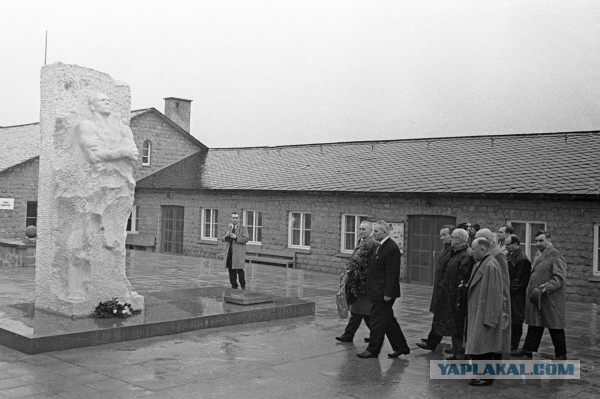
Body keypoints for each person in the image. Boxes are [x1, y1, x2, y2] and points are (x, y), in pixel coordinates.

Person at [357, 221, 410, 359]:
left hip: (383, 293)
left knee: (377, 321)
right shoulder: (380, 246)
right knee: (388, 320)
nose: (373, 234)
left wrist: (388, 293)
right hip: (376, 290)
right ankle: (401, 347)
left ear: (385, 233)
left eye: (376, 231)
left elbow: (392, 273)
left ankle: (373, 350)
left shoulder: (391, 248)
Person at [514, 231, 568, 360]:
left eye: (541, 240)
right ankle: (528, 349)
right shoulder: (540, 254)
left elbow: (559, 278)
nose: (538, 243)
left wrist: (544, 288)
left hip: (550, 298)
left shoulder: (555, 255)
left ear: (548, 240)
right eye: (536, 241)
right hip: (538, 298)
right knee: (535, 323)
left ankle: (561, 353)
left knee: (555, 326)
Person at [465, 237, 504, 387]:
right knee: (477, 346)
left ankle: (487, 377)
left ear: (482, 248)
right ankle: (479, 374)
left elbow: (495, 295)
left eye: (474, 250)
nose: (472, 253)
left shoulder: (491, 266)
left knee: (484, 347)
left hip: (484, 314)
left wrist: (490, 319)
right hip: (477, 311)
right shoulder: (481, 263)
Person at [336, 221, 378, 342]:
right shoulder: (361, 241)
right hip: (356, 280)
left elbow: (368, 264)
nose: (360, 231)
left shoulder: (372, 243)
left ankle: (349, 335)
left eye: (363, 229)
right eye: (359, 229)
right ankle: (373, 334)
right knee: (361, 311)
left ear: (371, 231)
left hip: (363, 282)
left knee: (359, 310)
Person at [416, 225, 454, 352]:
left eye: (444, 235)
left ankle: (433, 342)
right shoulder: (446, 248)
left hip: (445, 289)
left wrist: (444, 285)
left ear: (452, 236)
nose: (441, 237)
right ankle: (432, 339)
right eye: (440, 235)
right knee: (439, 315)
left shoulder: (453, 250)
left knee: (441, 317)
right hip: (440, 288)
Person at [475, 228, 511, 358]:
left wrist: (503, 303)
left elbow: (503, 282)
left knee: (495, 336)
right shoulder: (490, 253)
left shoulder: (497, 254)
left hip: (496, 300)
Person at [505, 234, 531, 353]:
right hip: (510, 292)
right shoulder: (510, 256)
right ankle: (510, 342)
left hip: (516, 295)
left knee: (516, 319)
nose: (506, 247)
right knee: (511, 318)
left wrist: (510, 289)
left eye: (508, 244)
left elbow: (521, 280)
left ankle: (514, 344)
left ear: (515, 244)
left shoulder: (522, 259)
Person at [222, 212, 249, 290]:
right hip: (229, 253)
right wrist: (225, 236)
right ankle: (234, 286)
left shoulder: (243, 228)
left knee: (240, 270)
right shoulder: (228, 228)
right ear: (231, 219)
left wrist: (236, 237)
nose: (235, 219)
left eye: (236, 218)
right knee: (231, 271)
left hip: (238, 253)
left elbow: (246, 239)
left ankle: (243, 286)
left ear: (239, 219)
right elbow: (222, 239)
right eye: (233, 218)